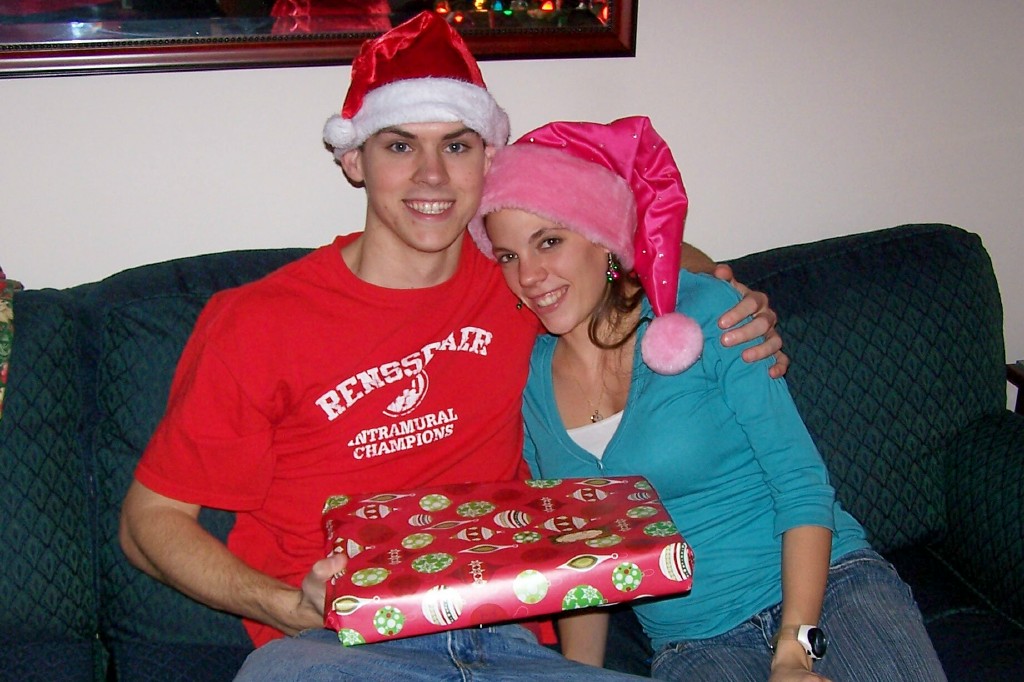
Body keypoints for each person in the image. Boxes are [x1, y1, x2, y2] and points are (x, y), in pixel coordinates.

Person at [118, 12, 785, 681]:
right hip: (336, 650)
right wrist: (286, 606)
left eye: (457, 146)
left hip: (508, 643)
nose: (432, 176)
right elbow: (150, 521)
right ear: (354, 159)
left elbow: (625, 248)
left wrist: (726, 299)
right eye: (400, 146)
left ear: (488, 161)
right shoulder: (257, 323)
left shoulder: (520, 279)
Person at [469, 116, 948, 682]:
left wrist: (794, 649)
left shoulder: (703, 314)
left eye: (549, 241)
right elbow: (587, 558)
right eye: (508, 255)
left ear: (602, 236)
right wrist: (578, 675)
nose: (529, 275)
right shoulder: (530, 381)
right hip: (694, 640)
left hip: (829, 591)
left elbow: (801, 484)